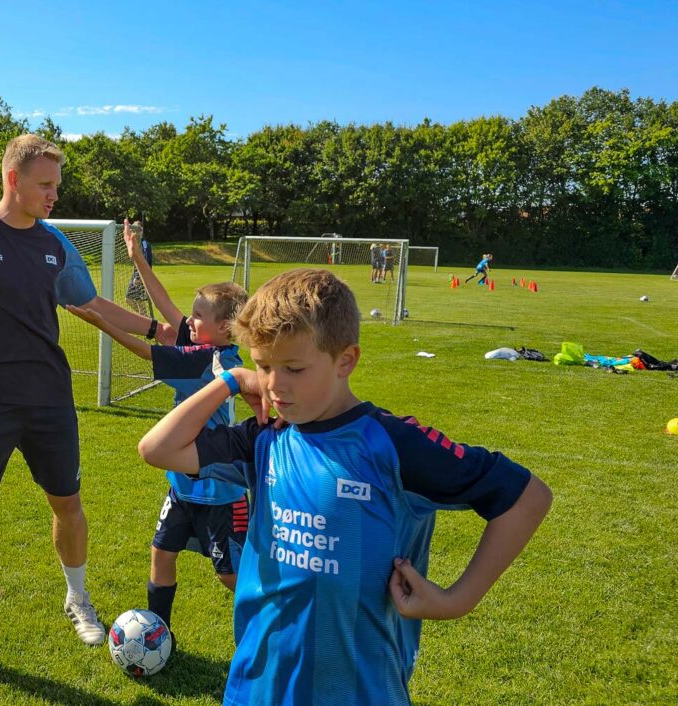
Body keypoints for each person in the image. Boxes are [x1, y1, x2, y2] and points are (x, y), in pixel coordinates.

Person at [138, 268, 553, 705]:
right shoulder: (265, 438)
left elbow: (526, 496)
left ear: (345, 360)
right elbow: (157, 448)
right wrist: (233, 380)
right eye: (264, 366)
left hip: (359, 690)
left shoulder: (392, 445)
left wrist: (456, 600)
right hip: (255, 689)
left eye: (294, 368)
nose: (275, 385)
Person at [0, 134, 170, 688]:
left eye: (57, 185)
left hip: (51, 397)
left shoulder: (56, 245)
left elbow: (90, 305)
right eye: (46, 185)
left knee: (69, 505)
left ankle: (77, 600)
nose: (55, 195)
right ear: (14, 179)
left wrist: (157, 330)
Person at [68, 219, 249, 639]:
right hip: (183, 486)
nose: (189, 321)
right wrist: (138, 260)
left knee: (229, 575)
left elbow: (147, 351)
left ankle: (273, 628)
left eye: (198, 316)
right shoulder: (209, 346)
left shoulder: (208, 362)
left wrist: (101, 323)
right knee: (161, 553)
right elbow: (169, 311)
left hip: (218, 492)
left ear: (223, 328)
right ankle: (158, 635)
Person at [124, 220, 154, 316]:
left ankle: (146, 321)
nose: (135, 232)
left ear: (141, 230)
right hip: (136, 275)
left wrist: (138, 277)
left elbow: (145, 261)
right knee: (129, 299)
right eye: (134, 229)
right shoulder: (136, 243)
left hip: (142, 276)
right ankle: (145, 318)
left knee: (139, 301)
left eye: (137, 229)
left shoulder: (144, 244)